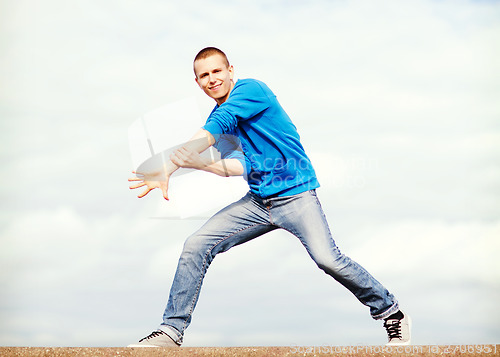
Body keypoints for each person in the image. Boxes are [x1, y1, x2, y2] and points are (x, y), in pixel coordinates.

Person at [127, 47, 411, 347]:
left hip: (296, 196)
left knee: (328, 259)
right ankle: (171, 331)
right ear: (197, 82)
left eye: (216, 71)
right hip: (258, 203)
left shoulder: (252, 90)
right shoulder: (219, 118)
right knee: (195, 245)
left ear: (230, 71)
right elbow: (240, 165)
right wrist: (200, 164)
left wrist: (169, 165)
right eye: (204, 76)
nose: (212, 79)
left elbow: (218, 125)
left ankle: (391, 313)